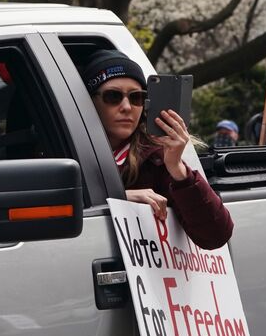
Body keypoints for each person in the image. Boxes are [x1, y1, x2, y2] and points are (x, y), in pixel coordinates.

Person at [81, 50, 233, 249]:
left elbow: (216, 236)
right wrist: (121, 197)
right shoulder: (63, 151)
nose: (127, 107)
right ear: (89, 102)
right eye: (113, 96)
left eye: (136, 98)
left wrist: (178, 170)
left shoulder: (157, 158)